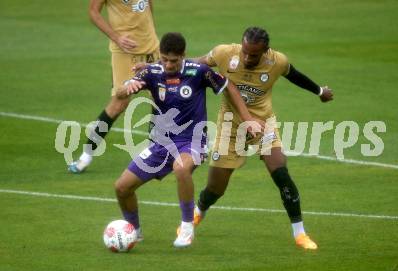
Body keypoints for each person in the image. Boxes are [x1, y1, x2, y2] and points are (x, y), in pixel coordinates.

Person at [113, 32, 262, 248]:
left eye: (173, 60)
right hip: (161, 143)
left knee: (181, 168)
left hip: (192, 140)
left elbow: (228, 86)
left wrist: (247, 119)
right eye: (164, 59)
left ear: (183, 56)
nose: (168, 65)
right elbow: (119, 93)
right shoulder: (152, 72)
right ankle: (133, 232)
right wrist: (126, 89)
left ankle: (186, 227)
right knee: (122, 187)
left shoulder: (198, 72)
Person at [193, 26, 334, 250]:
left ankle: (300, 233)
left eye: (254, 54)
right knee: (215, 189)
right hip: (231, 127)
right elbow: (193, 65)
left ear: (265, 51)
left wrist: (319, 92)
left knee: (281, 173)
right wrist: (154, 69)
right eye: (245, 52)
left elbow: (295, 75)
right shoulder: (224, 53)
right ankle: (199, 211)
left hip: (263, 125)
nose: (248, 57)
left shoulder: (276, 62)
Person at [68, 0, 160, 173]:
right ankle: (86, 155)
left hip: (152, 49)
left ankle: (153, 152)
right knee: (119, 104)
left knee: (160, 98)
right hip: (124, 53)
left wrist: (152, 32)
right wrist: (117, 37)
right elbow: (93, 12)